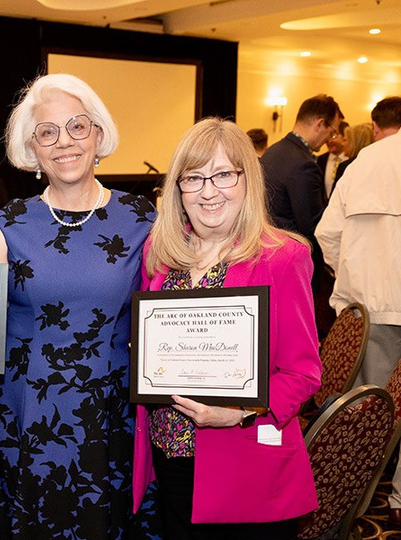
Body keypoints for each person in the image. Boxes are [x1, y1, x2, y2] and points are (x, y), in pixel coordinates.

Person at [0, 73, 159, 538]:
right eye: (47, 132)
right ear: (31, 148)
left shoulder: (142, 220)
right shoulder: (8, 225)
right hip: (24, 419)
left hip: (111, 419)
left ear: (98, 134)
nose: (64, 142)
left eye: (76, 126)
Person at [133, 118, 321, 539]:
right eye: (194, 177)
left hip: (244, 463)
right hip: (170, 458)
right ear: (177, 187)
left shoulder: (282, 257)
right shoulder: (161, 254)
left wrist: (237, 412)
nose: (208, 190)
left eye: (223, 175)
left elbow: (303, 373)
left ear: (247, 181)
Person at [315, 96, 401, 524]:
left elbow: (327, 232)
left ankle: (355, 498)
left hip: (371, 304)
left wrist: (346, 271)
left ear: (376, 124)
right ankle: (400, 500)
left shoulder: (365, 162)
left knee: (371, 405)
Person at [261, 94, 343, 340]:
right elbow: (313, 224)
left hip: (267, 253)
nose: (331, 138)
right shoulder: (304, 163)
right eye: (332, 131)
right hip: (292, 261)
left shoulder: (274, 151)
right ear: (320, 123)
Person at [316, 120, 349, 198]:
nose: (329, 141)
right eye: (328, 137)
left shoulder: (351, 161)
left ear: (344, 136)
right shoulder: (319, 161)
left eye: (334, 136)